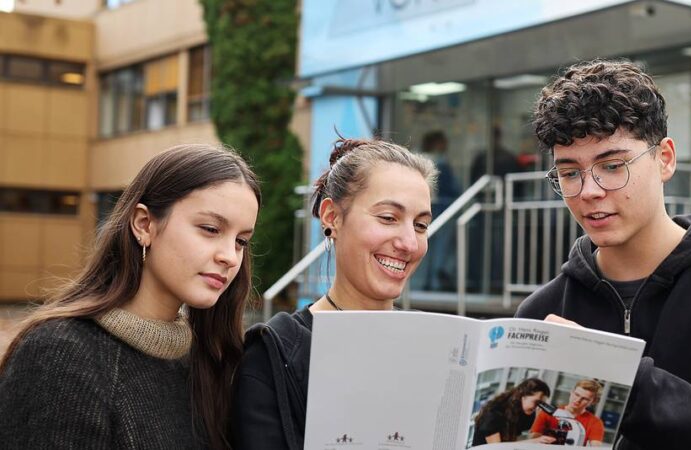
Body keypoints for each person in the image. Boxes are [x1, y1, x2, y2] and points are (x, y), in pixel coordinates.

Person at [515, 59, 691, 449]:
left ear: (664, 159)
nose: (589, 191)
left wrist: (615, 376)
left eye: (612, 166)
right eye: (569, 173)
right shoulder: (542, 311)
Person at [0, 144, 261, 449]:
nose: (230, 256)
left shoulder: (213, 359)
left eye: (241, 241)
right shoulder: (60, 353)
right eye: (210, 228)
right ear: (144, 224)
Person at [232, 137, 437, 450]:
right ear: (332, 217)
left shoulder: (436, 343)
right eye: (388, 218)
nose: (409, 243)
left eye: (421, 225)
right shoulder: (275, 353)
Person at [416, 130, 460, 290]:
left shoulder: (418, 161)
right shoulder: (440, 163)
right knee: (440, 248)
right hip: (442, 210)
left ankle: (422, 283)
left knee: (426, 248)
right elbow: (452, 189)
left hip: (425, 210)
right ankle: (435, 283)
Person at [471, 377, 554, 446]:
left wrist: (537, 437)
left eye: (541, 404)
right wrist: (533, 441)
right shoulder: (493, 413)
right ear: (523, 396)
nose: (537, 407)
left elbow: (512, 440)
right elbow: (497, 448)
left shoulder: (523, 413)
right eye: (536, 402)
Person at [530, 379, 605, 446]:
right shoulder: (547, 413)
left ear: (593, 401)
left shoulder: (595, 423)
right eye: (576, 394)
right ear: (572, 392)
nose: (578, 400)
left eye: (585, 398)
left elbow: (596, 447)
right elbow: (532, 441)